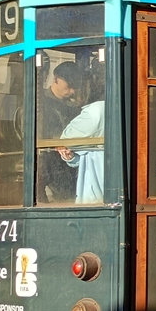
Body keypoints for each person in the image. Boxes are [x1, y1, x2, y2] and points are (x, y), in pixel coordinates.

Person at [57, 76, 105, 205]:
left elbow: (66, 140)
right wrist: (72, 158)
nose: (73, 93)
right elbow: (90, 155)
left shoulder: (96, 111)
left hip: (98, 183)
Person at [38, 61, 82, 203]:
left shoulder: (75, 106)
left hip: (70, 165)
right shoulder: (40, 103)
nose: (72, 91)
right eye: (69, 86)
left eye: (75, 87)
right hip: (48, 164)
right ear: (56, 79)